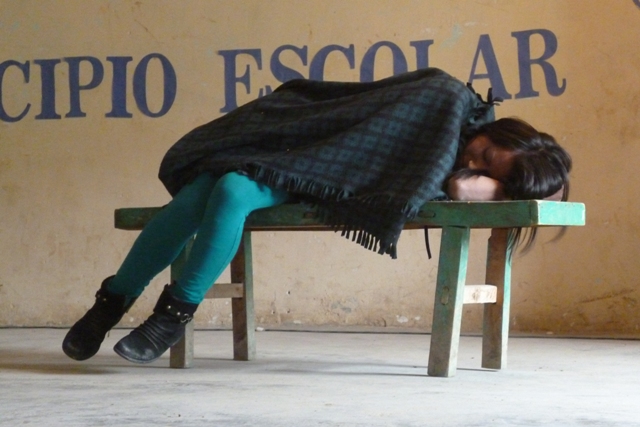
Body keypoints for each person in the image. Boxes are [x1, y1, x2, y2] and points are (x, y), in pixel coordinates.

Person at [62, 68, 571, 365]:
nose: (473, 165)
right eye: (485, 154)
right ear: (501, 130)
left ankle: (171, 316)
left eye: (489, 175)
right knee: (205, 193)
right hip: (307, 143)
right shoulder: (447, 97)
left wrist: (476, 178)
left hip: (328, 174)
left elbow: (455, 184)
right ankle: (112, 302)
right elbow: (360, 122)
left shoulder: (454, 164)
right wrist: (471, 174)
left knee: (233, 188)